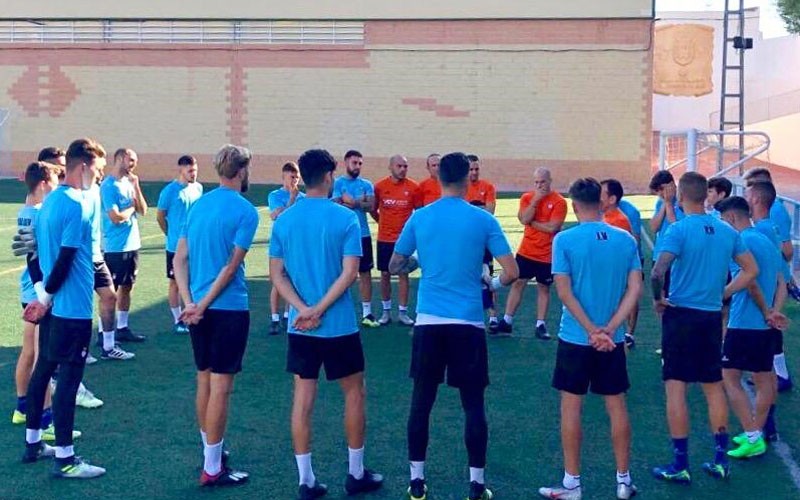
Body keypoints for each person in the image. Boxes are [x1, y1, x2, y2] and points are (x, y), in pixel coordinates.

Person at [389, 152, 518, 500]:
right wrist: (490, 284)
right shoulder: (482, 220)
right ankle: (476, 485)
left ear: (438, 178)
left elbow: (395, 263)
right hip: (469, 324)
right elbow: (513, 271)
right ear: (468, 180)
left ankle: (417, 482)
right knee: (473, 404)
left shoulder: (420, 217)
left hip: (430, 321)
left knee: (422, 402)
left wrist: (421, 261)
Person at [270, 149, 384, 500]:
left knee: (303, 399)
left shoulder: (285, 219)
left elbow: (277, 275)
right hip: (339, 327)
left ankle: (306, 480)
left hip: (300, 327)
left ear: (303, 176)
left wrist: (304, 310)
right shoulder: (345, 218)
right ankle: (355, 473)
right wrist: (318, 308)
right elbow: (351, 273)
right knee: (354, 393)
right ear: (330, 176)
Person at [651, 172, 759, 483]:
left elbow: (658, 271)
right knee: (713, 387)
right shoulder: (726, 231)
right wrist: (724, 292)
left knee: (676, 387)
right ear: (705, 196)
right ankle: (720, 460)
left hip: (682, 316)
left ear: (682, 196)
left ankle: (680, 463)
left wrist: (658, 300)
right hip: (712, 317)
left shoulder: (679, 229)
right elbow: (750, 270)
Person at [538, 178, 641, 500]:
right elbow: (634, 288)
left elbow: (564, 292)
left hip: (575, 338)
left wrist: (592, 330)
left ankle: (572, 484)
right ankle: (624, 481)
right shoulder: (624, 239)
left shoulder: (564, 240)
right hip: (611, 341)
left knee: (571, 408)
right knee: (616, 405)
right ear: (602, 201)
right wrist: (610, 329)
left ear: (573, 203)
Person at [21, 138, 107, 478]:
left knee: (43, 371)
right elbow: (68, 258)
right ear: (83, 166)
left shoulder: (50, 201)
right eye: (98, 169)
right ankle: (67, 459)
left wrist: (42, 292)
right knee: (69, 380)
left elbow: (35, 255)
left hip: (55, 306)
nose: (98, 176)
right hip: (71, 310)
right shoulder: (76, 204)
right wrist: (46, 297)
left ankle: (33, 444)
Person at [173, 144, 258, 487]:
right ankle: (212, 467)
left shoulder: (198, 205)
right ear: (241, 172)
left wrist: (190, 303)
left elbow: (179, 259)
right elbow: (230, 268)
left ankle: (211, 452)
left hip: (199, 310)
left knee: (204, 379)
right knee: (221, 386)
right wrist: (202, 304)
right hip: (226, 309)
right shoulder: (246, 211)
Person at [716, 196, 787, 459]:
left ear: (732, 218)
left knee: (729, 377)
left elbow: (750, 281)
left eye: (724, 222)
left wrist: (720, 295)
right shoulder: (766, 241)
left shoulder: (741, 241)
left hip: (745, 322)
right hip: (764, 325)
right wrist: (774, 312)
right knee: (765, 376)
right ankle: (756, 430)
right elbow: (782, 281)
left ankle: (753, 435)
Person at [12, 162, 60, 432]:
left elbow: (24, 249)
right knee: (42, 358)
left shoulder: (26, 210)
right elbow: (32, 256)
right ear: (43, 184)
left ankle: (22, 407)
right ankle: (45, 420)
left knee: (30, 352)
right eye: (54, 181)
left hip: (29, 290)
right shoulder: (38, 215)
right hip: (37, 293)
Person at [496, 167, 567, 339]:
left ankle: (540, 324)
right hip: (527, 251)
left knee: (544, 287)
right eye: (536, 182)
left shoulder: (559, 201)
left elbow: (553, 227)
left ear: (549, 181)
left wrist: (532, 224)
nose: (539, 185)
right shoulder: (528, 198)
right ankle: (507, 321)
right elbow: (524, 219)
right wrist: (535, 201)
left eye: (542, 182)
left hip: (547, 254)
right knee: (518, 282)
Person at [745, 181, 791, 439]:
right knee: (765, 369)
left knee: (756, 372)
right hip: (770, 306)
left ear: (756, 200)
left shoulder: (758, 233)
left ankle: (760, 428)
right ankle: (767, 425)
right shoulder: (766, 229)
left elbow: (761, 275)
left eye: (748, 194)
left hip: (761, 311)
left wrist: (769, 309)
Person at [100, 148, 147, 343]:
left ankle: (122, 327)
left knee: (127, 287)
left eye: (135, 161)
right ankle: (103, 332)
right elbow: (115, 217)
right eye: (130, 160)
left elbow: (143, 210)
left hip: (132, 244)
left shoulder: (129, 183)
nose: (133, 164)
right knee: (109, 291)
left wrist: (136, 186)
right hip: (114, 247)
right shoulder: (108, 186)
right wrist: (130, 208)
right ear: (119, 159)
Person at [331, 150, 380, 328]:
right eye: (354, 163)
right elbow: (336, 205)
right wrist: (359, 202)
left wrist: (352, 202)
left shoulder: (366, 184)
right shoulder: (337, 183)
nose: (357, 166)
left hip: (363, 235)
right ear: (346, 163)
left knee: (365, 273)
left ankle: (367, 313)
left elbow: (371, 206)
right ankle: (337, 308)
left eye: (360, 163)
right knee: (340, 272)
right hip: (342, 236)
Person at [156, 155, 203, 334]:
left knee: (193, 280)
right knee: (176, 283)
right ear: (181, 169)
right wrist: (170, 234)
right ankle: (178, 319)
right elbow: (160, 216)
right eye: (190, 170)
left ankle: (193, 312)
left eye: (195, 170)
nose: (194, 174)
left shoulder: (198, 188)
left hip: (195, 244)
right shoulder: (169, 191)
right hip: (175, 246)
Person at [372, 155, 421, 326]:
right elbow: (373, 208)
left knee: (403, 274)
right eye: (399, 166)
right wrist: (382, 222)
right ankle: (385, 312)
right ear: (391, 167)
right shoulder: (379, 187)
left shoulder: (414, 188)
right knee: (385, 274)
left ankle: (402, 312)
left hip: (404, 241)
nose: (403, 169)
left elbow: (420, 213)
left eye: (405, 166)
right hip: (384, 238)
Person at [267, 161, 305, 335]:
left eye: (297, 177)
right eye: (292, 176)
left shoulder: (303, 198)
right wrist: (291, 199)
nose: (295, 180)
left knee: (292, 279)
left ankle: (287, 315)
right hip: (280, 243)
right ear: (283, 176)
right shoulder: (275, 195)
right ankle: (274, 318)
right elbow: (278, 216)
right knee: (277, 280)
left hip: (295, 243)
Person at [465, 154, 500, 331]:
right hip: (466, 243)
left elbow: (489, 213)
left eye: (476, 169)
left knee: (488, 277)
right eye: (471, 169)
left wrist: (472, 212)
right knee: (467, 277)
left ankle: (493, 316)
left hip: (484, 242)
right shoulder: (461, 189)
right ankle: (469, 313)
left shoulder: (488, 187)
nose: (474, 172)